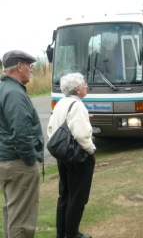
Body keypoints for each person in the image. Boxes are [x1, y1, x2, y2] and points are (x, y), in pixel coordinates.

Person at [0, 50, 44, 237]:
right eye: (29, 65)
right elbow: (21, 132)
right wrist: (31, 159)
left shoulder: (4, 88)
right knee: (22, 222)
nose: (31, 69)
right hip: (19, 164)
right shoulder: (14, 93)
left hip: (9, 162)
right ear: (19, 66)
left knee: (12, 214)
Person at [47, 73, 96, 238]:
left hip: (63, 155)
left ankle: (62, 233)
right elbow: (81, 134)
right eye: (84, 84)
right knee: (78, 197)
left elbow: (51, 128)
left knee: (65, 195)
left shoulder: (62, 102)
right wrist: (91, 150)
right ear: (77, 89)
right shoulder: (77, 105)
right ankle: (72, 233)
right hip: (78, 156)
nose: (86, 86)